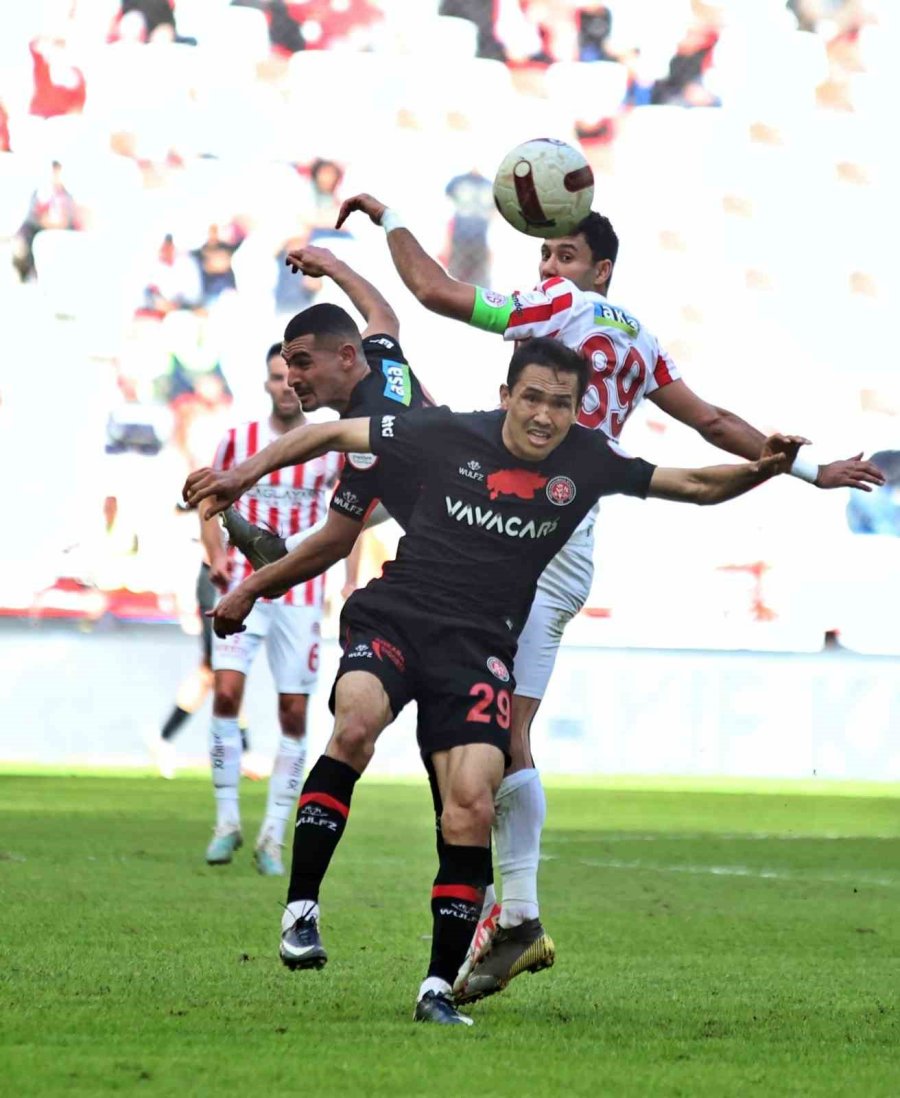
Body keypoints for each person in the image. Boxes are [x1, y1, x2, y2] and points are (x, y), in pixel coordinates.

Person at [329, 192, 886, 1001]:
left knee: (490, 728)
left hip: (524, 528)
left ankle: (513, 913)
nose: (547, 269)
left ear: (600, 269)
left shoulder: (561, 310)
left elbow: (436, 294)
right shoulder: (640, 338)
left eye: (563, 254)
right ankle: (508, 913)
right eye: (543, 257)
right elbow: (713, 420)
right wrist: (807, 469)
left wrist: (391, 220)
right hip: (572, 531)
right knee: (491, 727)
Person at [193, 336, 805, 1025]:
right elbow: (333, 430)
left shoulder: (588, 462)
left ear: (579, 413)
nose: (544, 417)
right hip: (399, 615)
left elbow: (693, 486)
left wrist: (766, 468)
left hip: (479, 644)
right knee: (356, 724)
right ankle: (301, 908)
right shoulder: (450, 431)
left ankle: (434, 989)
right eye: (533, 398)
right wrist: (243, 475)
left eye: (562, 405)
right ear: (506, 395)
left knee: (472, 805)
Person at [200, 342, 340, 875]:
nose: (286, 385)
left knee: (294, 712)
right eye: (277, 376)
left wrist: (346, 581)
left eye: (293, 375)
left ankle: (272, 837)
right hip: (242, 586)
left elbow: (346, 514)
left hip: (300, 594)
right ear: (266, 383)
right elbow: (209, 502)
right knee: (226, 692)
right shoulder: (239, 440)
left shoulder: (328, 447)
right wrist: (215, 555)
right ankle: (226, 822)